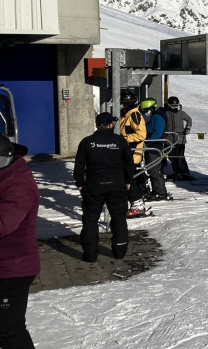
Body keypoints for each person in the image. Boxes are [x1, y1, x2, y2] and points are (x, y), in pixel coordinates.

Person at [0, 134, 50, 349]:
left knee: (10, 330)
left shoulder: (18, 184)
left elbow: (4, 223)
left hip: (13, 268)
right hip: (2, 265)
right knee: (4, 329)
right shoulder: (4, 174)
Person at [73, 112, 134, 262]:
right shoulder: (120, 141)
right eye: (113, 123)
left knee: (90, 220)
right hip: (116, 185)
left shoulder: (87, 142)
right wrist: (128, 181)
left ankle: (90, 254)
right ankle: (119, 251)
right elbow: (129, 164)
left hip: (94, 186)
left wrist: (80, 183)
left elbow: (79, 166)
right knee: (119, 218)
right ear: (109, 125)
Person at [139, 98, 171, 202]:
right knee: (151, 170)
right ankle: (156, 191)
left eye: (145, 111)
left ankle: (160, 192)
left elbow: (157, 133)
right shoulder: (154, 116)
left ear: (150, 108)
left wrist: (147, 142)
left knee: (154, 170)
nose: (145, 114)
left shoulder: (157, 117)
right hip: (151, 146)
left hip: (154, 147)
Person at [162, 96, 194, 180]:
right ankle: (176, 172)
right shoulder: (166, 113)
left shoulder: (181, 113)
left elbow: (189, 120)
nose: (175, 108)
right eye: (172, 106)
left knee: (180, 156)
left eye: (176, 106)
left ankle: (184, 173)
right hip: (169, 139)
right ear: (169, 105)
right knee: (171, 156)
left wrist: (187, 128)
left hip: (180, 139)